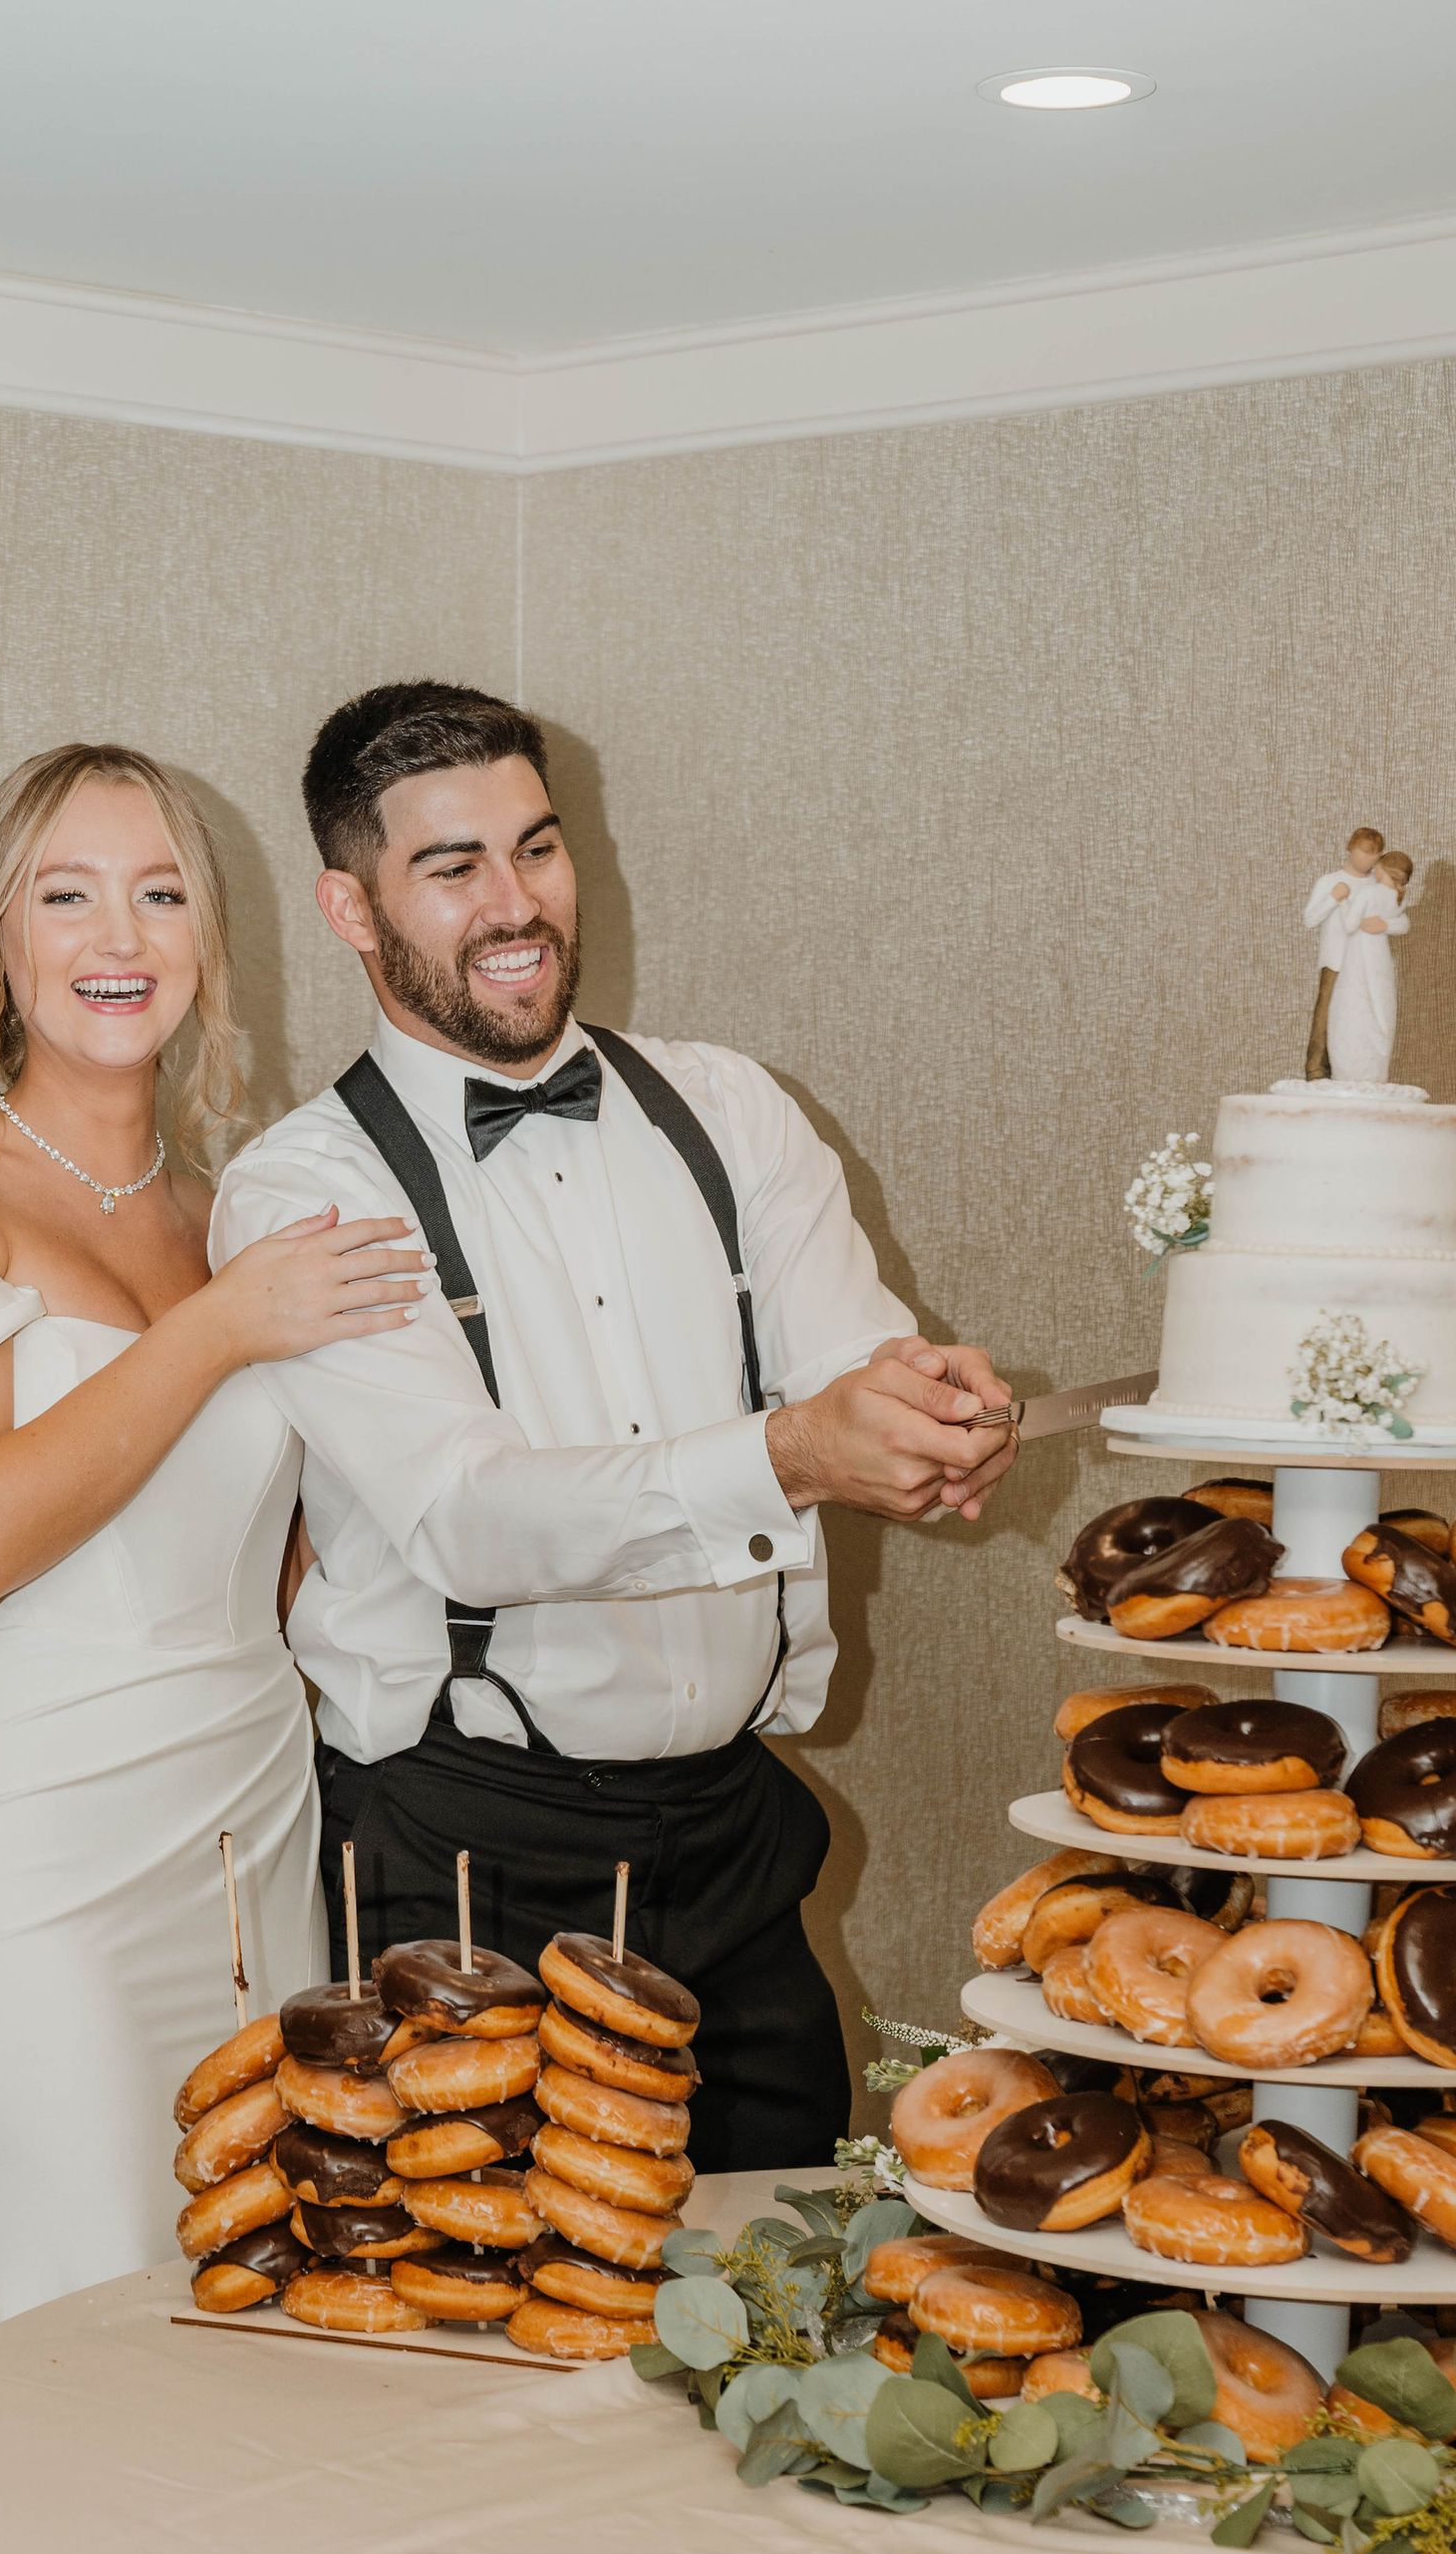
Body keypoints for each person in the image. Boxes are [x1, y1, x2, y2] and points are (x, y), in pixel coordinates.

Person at [210, 681, 1019, 2170]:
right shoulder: (307, 1189)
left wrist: (921, 1416)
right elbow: (469, 1515)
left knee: (776, 2322)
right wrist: (795, 1452)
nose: (515, 906)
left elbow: (854, 1355)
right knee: (489, 2356)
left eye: (538, 848)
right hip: (464, 1855)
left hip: (735, 1846)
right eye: (452, 870)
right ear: (349, 906)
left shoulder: (731, 1107)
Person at [0, 742, 429, 2367]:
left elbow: (287, 1566)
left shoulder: (239, 1217)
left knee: (245, 2315)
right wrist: (223, 1329)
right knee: (67, 2327)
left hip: (247, 1839)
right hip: (27, 1853)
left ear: (210, 940)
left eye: (161, 894)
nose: (120, 937)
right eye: (66, 894)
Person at [1303, 823, 1385, 1080]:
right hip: (1336, 961)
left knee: (1363, 1017)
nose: (1369, 858)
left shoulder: (1377, 884)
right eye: (1365, 851)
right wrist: (1333, 898)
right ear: (1350, 848)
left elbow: (1391, 915)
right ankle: (1316, 1069)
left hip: (1367, 964)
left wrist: (1385, 923)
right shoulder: (1329, 881)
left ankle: (1356, 1071)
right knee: (1326, 1014)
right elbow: (1310, 919)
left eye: (1375, 854)